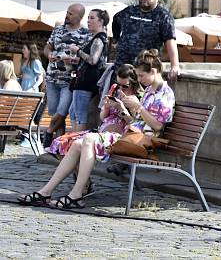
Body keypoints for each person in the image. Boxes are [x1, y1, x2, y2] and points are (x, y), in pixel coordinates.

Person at [17, 50, 174, 209]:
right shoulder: (149, 90)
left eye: (141, 76)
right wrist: (126, 111)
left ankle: (76, 194)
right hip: (130, 135)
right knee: (78, 143)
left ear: (153, 71)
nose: (139, 80)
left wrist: (138, 107)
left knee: (88, 139)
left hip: (140, 141)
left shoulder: (165, 93)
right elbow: (137, 122)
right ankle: (46, 191)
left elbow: (158, 126)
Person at [109, 0, 180, 86]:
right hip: (122, 67)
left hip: (144, 69)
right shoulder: (129, 11)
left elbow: (170, 41)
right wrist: (116, 39)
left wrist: (175, 65)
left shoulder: (163, 16)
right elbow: (116, 20)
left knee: (140, 100)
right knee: (115, 98)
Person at [42, 4, 90, 147]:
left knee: (62, 111)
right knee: (55, 113)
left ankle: (49, 131)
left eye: (71, 14)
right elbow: (47, 47)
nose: (67, 15)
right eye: (67, 12)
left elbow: (86, 57)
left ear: (79, 17)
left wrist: (75, 60)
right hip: (52, 77)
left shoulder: (86, 34)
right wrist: (49, 54)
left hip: (70, 79)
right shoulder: (58, 30)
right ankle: (59, 146)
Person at [67, 9, 109, 131]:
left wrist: (77, 51)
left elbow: (93, 60)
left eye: (92, 18)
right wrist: (74, 60)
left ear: (101, 22)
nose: (88, 21)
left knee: (79, 115)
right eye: (88, 18)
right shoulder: (96, 38)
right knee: (73, 112)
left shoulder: (99, 39)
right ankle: (74, 142)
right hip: (82, 81)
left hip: (86, 82)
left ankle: (77, 143)